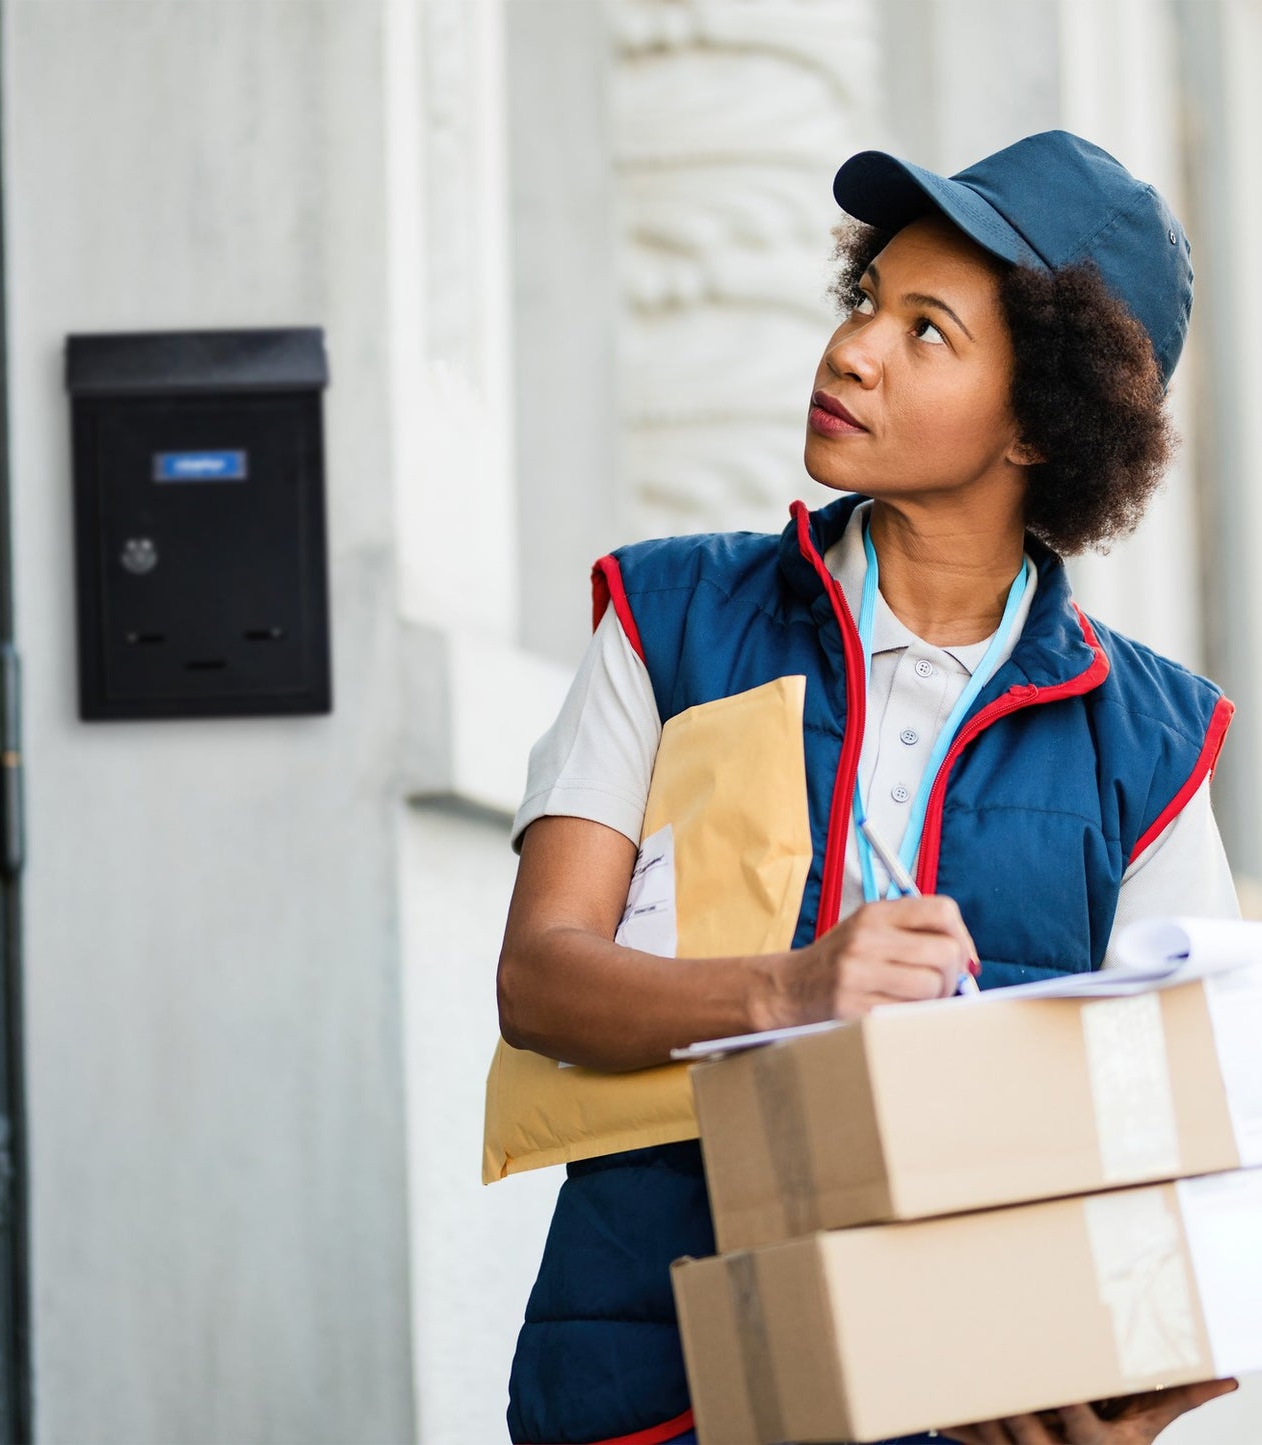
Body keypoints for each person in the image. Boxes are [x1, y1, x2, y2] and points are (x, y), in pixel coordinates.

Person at [496, 132, 1244, 1445]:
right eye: (864, 301)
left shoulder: (1151, 744)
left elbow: (1186, 1135)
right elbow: (539, 977)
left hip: (963, 1407)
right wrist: (789, 990)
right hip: (656, 1388)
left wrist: (1127, 1400)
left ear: (1041, 421)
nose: (851, 351)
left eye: (926, 330)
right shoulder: (664, 618)